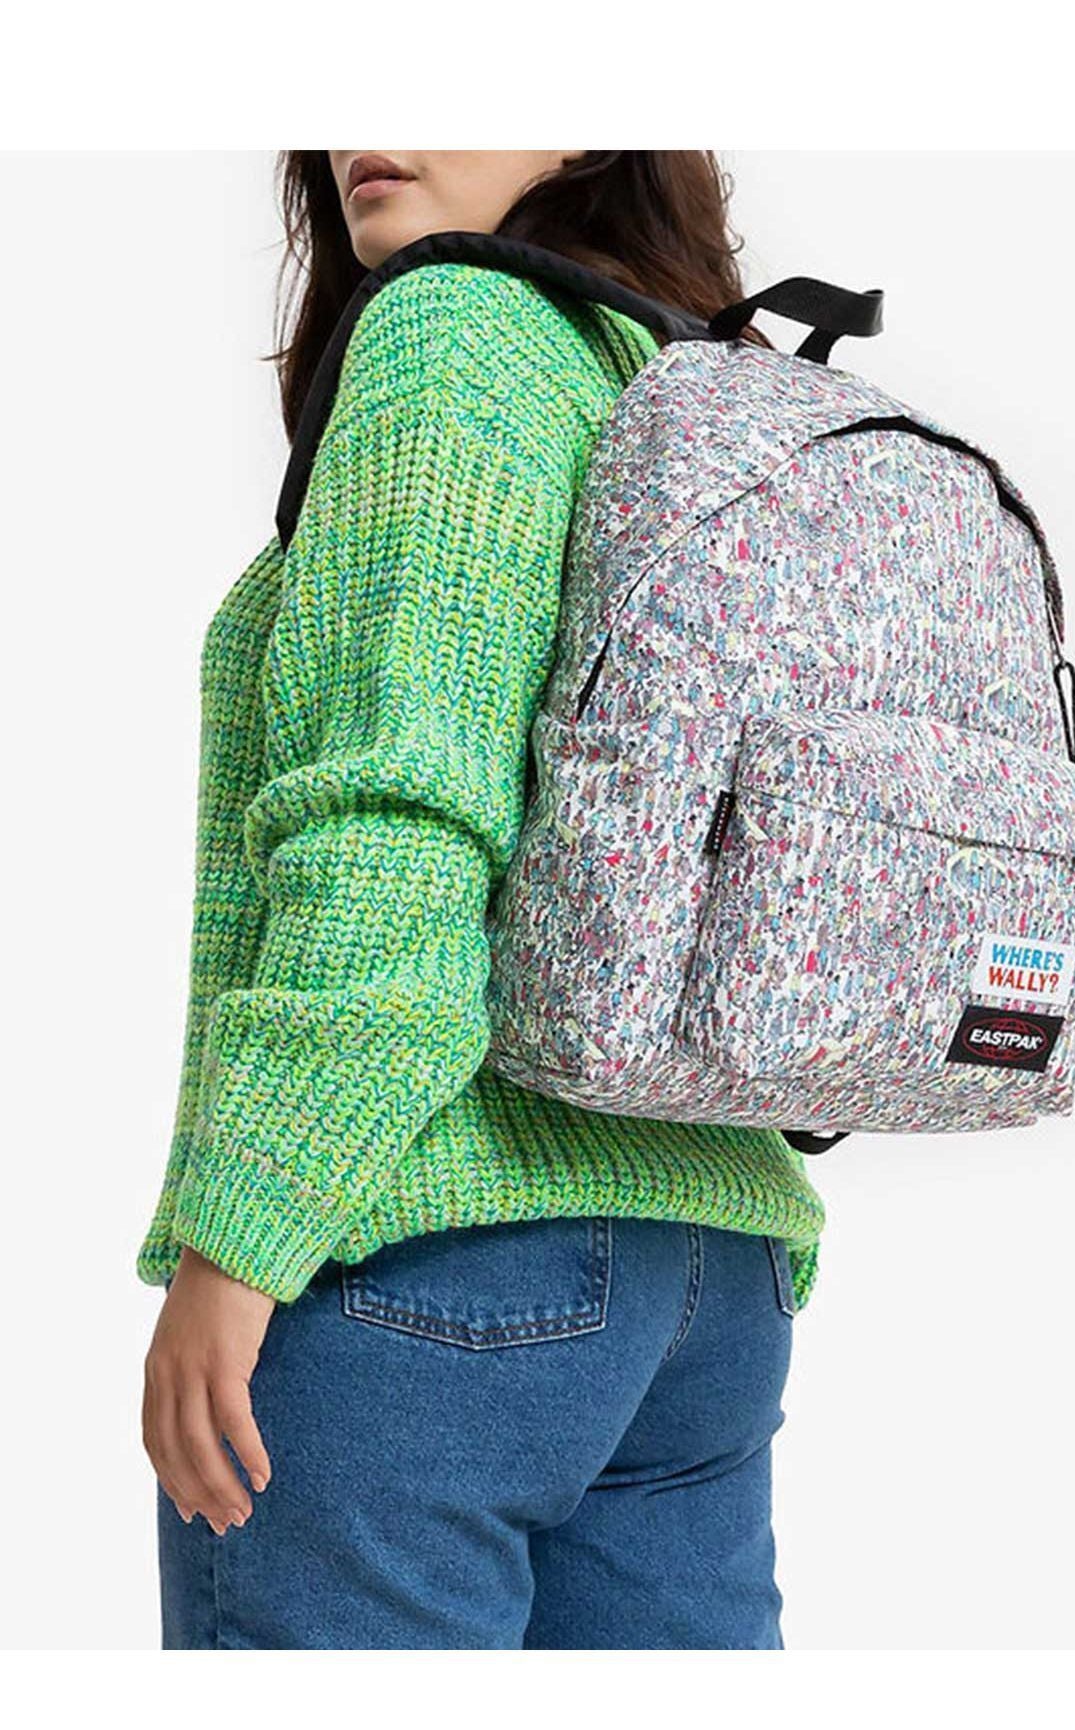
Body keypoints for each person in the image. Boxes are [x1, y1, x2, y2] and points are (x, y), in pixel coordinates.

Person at [138, 149, 826, 1650]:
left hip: (436, 1252)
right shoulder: (682, 373)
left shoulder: (453, 330)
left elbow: (396, 819)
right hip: (709, 1280)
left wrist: (241, 1231)